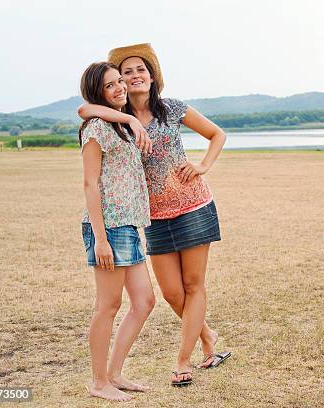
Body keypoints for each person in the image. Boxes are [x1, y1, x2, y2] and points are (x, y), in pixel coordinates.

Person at [78, 43, 229, 387]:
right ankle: (207, 334)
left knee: (193, 286)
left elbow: (216, 134)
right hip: (153, 216)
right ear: (118, 83)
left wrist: (203, 165)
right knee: (173, 294)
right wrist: (129, 116)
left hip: (193, 207)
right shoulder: (112, 117)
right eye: (125, 73)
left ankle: (183, 360)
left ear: (151, 76)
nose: (133, 76)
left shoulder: (172, 108)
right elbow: (84, 108)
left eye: (140, 70)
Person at [79, 61, 155, 401]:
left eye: (118, 81)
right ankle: (98, 383)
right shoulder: (96, 126)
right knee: (108, 305)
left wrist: (127, 118)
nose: (119, 87)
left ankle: (114, 373)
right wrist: (100, 238)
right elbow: (90, 184)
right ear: (99, 92)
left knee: (144, 301)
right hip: (108, 227)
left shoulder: (119, 126)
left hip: (129, 224)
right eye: (110, 86)